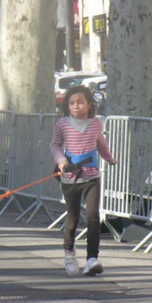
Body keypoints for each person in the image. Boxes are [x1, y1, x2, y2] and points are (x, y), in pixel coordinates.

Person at [51, 85, 117, 277]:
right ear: (67, 106)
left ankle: (91, 259)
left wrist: (109, 158)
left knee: (93, 217)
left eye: (80, 102)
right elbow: (55, 145)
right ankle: (69, 254)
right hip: (70, 178)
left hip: (91, 177)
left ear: (89, 104)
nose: (76, 106)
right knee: (72, 219)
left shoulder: (96, 123)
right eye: (72, 103)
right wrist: (61, 161)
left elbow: (101, 143)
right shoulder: (62, 124)